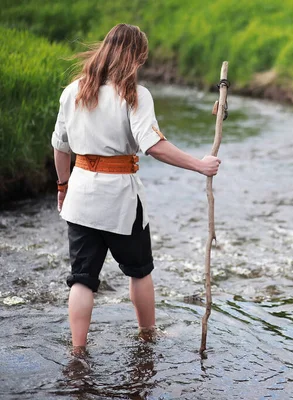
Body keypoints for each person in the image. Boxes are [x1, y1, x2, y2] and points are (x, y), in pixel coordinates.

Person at [52, 23, 221, 351]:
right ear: (135, 58)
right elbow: (154, 146)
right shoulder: (135, 95)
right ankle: (148, 335)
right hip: (120, 201)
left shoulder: (73, 90)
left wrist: (62, 185)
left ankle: (77, 350)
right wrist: (200, 165)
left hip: (81, 197)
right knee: (140, 271)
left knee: (82, 279)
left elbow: (60, 146)